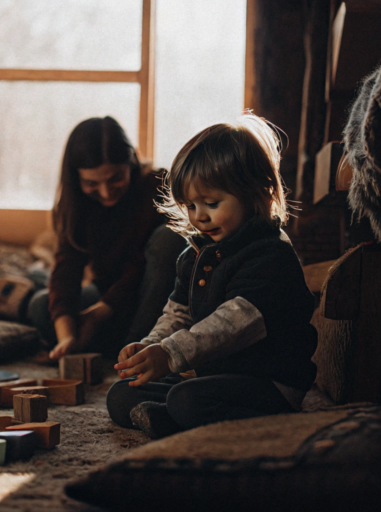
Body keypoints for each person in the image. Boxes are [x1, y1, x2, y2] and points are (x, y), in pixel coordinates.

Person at [106, 114, 319, 439]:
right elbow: (177, 311)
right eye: (190, 205)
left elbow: (231, 325)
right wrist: (151, 346)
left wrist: (171, 354)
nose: (199, 216)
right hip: (215, 376)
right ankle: (170, 419)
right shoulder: (196, 253)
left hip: (268, 384)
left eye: (211, 203)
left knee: (187, 399)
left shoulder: (270, 254)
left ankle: (173, 418)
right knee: (122, 394)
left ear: (255, 192)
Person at [23, 116, 185, 360]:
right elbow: (67, 268)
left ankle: (137, 349)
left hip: (153, 301)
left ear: (131, 161)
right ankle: (108, 347)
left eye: (115, 178)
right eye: (91, 183)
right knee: (41, 306)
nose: (106, 192)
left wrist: (101, 311)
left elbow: (141, 269)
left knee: (169, 237)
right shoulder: (76, 205)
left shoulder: (159, 185)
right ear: (77, 178)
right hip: (106, 300)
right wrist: (67, 337)